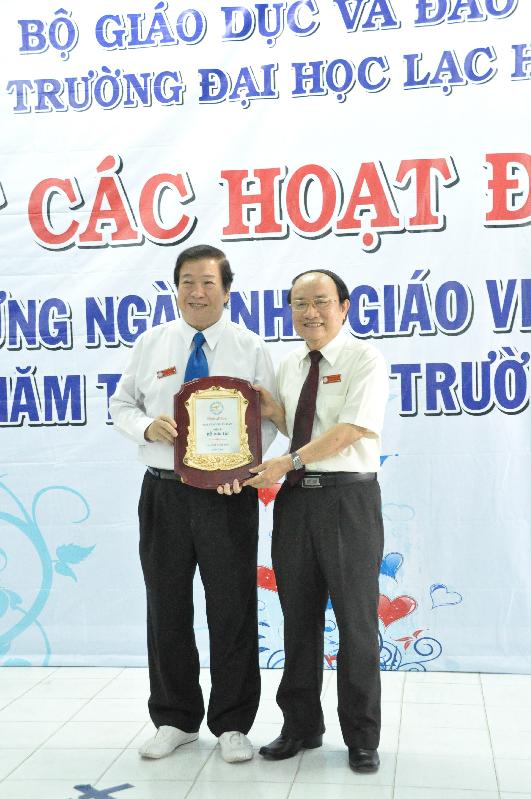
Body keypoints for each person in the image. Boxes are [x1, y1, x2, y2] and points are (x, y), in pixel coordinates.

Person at [109, 244, 276, 763]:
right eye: (187, 282)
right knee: (166, 605)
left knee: (232, 607)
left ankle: (233, 723)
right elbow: (121, 403)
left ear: (227, 290)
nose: (197, 292)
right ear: (175, 288)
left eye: (207, 282)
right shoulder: (151, 343)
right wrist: (146, 426)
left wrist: (242, 468)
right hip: (164, 491)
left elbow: (267, 418)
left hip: (227, 496)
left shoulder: (250, 348)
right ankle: (175, 718)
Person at [243, 269, 388, 773]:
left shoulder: (365, 359)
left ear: (343, 307)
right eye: (300, 303)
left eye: (321, 302)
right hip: (296, 503)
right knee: (298, 620)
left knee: (356, 622)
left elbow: (350, 430)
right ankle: (301, 726)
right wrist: (272, 412)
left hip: (348, 501)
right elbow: (302, 427)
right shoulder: (290, 363)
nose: (311, 313)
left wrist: (287, 461)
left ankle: (361, 737)